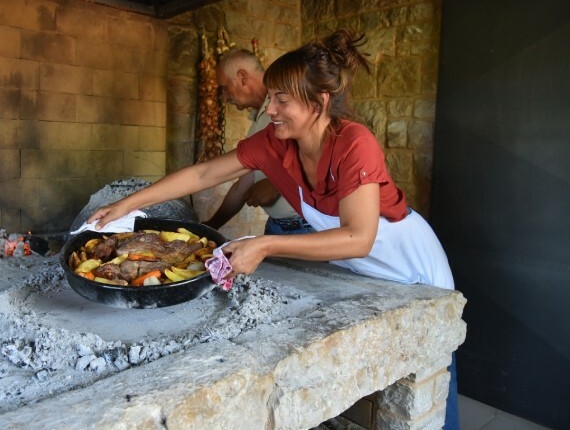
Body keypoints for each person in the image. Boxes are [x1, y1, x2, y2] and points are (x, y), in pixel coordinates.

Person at [87, 30, 457, 428]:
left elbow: (358, 237)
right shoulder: (277, 142)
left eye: (283, 99)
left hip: (412, 267)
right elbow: (206, 172)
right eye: (271, 98)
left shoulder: (354, 143)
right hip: (362, 269)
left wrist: (264, 244)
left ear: (320, 102)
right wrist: (127, 204)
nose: (272, 108)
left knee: (432, 381)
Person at [203, 48, 313, 235]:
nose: (224, 97)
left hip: (306, 228)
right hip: (276, 226)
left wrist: (277, 184)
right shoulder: (259, 123)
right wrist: (211, 226)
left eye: (224, 87)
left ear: (243, 77)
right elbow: (242, 185)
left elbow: (321, 154)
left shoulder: (294, 109)